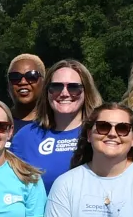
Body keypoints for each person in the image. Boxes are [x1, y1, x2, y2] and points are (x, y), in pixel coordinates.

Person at [11, 58, 103, 191]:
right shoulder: (25, 137)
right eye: (56, 87)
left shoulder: (102, 133)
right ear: (47, 91)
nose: (64, 93)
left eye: (73, 87)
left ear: (86, 91)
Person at [5, 53, 44, 124]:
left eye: (31, 76)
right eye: (15, 77)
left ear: (43, 82)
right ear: (8, 85)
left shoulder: (57, 122)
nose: (23, 82)